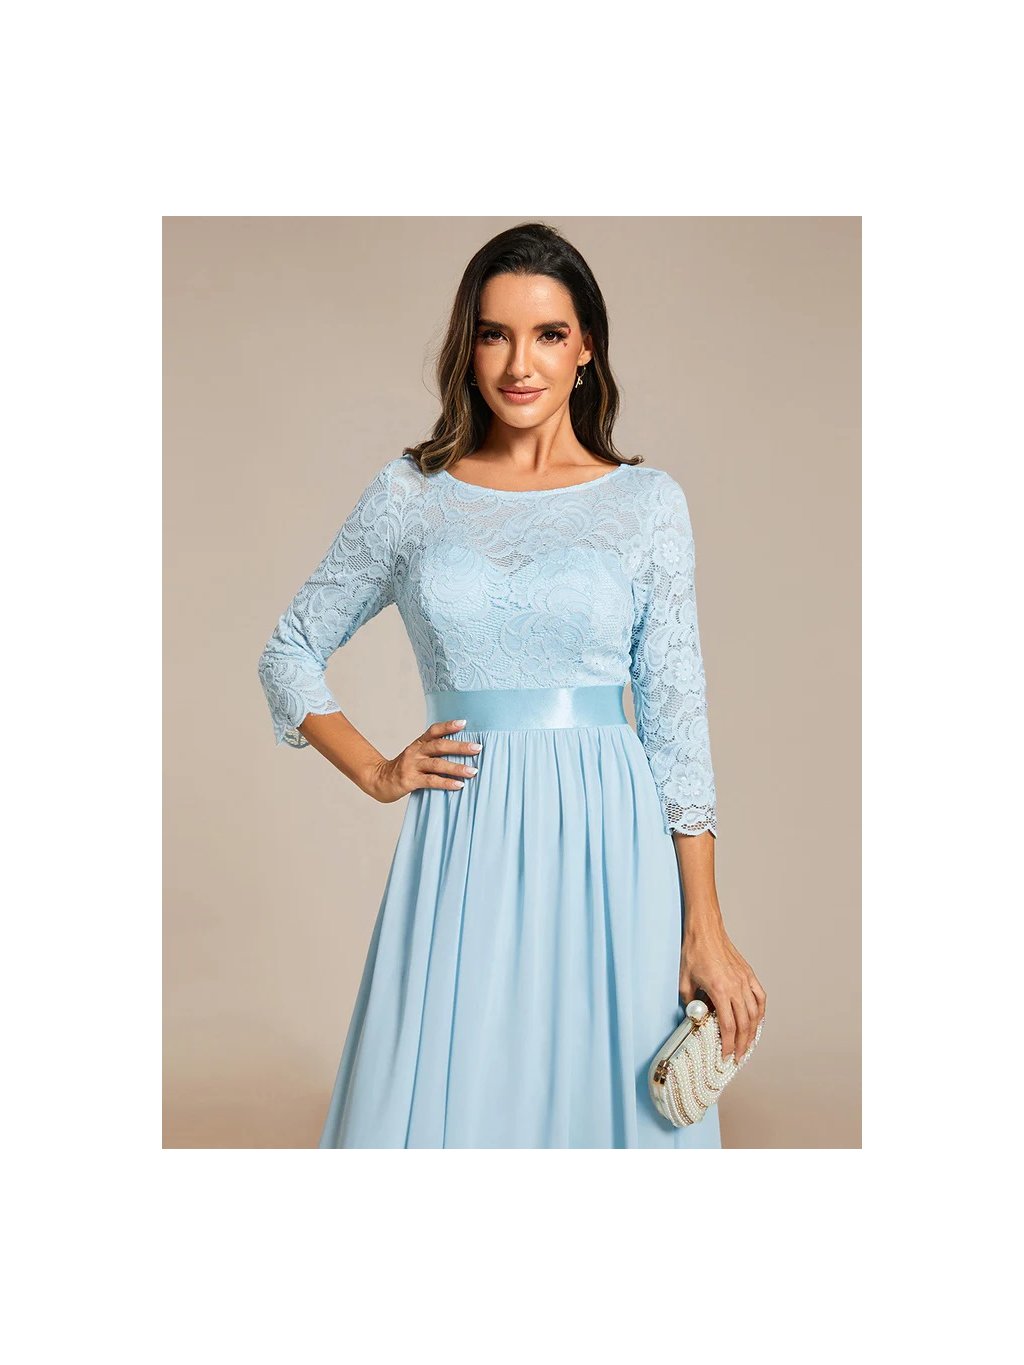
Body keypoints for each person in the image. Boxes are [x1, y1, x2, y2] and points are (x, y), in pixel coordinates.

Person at [257, 221, 765, 1148]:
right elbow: (289, 649)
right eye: (495, 334)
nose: (519, 363)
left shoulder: (647, 504)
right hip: (463, 839)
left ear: (586, 348)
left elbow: (677, 725)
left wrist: (705, 924)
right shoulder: (410, 495)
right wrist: (376, 770)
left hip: (613, 847)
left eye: (548, 334)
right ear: (469, 344)